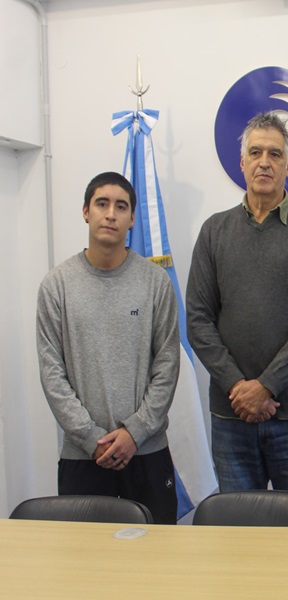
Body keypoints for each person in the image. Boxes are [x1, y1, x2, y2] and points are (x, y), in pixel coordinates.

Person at [186, 111, 288, 497]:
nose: (264, 162)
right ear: (242, 163)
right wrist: (239, 387)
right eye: (255, 152)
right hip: (231, 415)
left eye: (275, 154)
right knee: (238, 530)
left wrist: (266, 386)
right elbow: (198, 320)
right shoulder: (214, 231)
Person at [36, 171, 180, 524]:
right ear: (86, 211)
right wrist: (92, 438)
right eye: (102, 204)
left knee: (154, 553)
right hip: (83, 457)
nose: (111, 214)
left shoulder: (155, 283)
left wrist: (134, 433)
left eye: (121, 206)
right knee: (85, 556)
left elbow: (167, 365)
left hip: (146, 452)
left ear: (132, 218)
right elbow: (52, 374)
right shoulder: (57, 286)